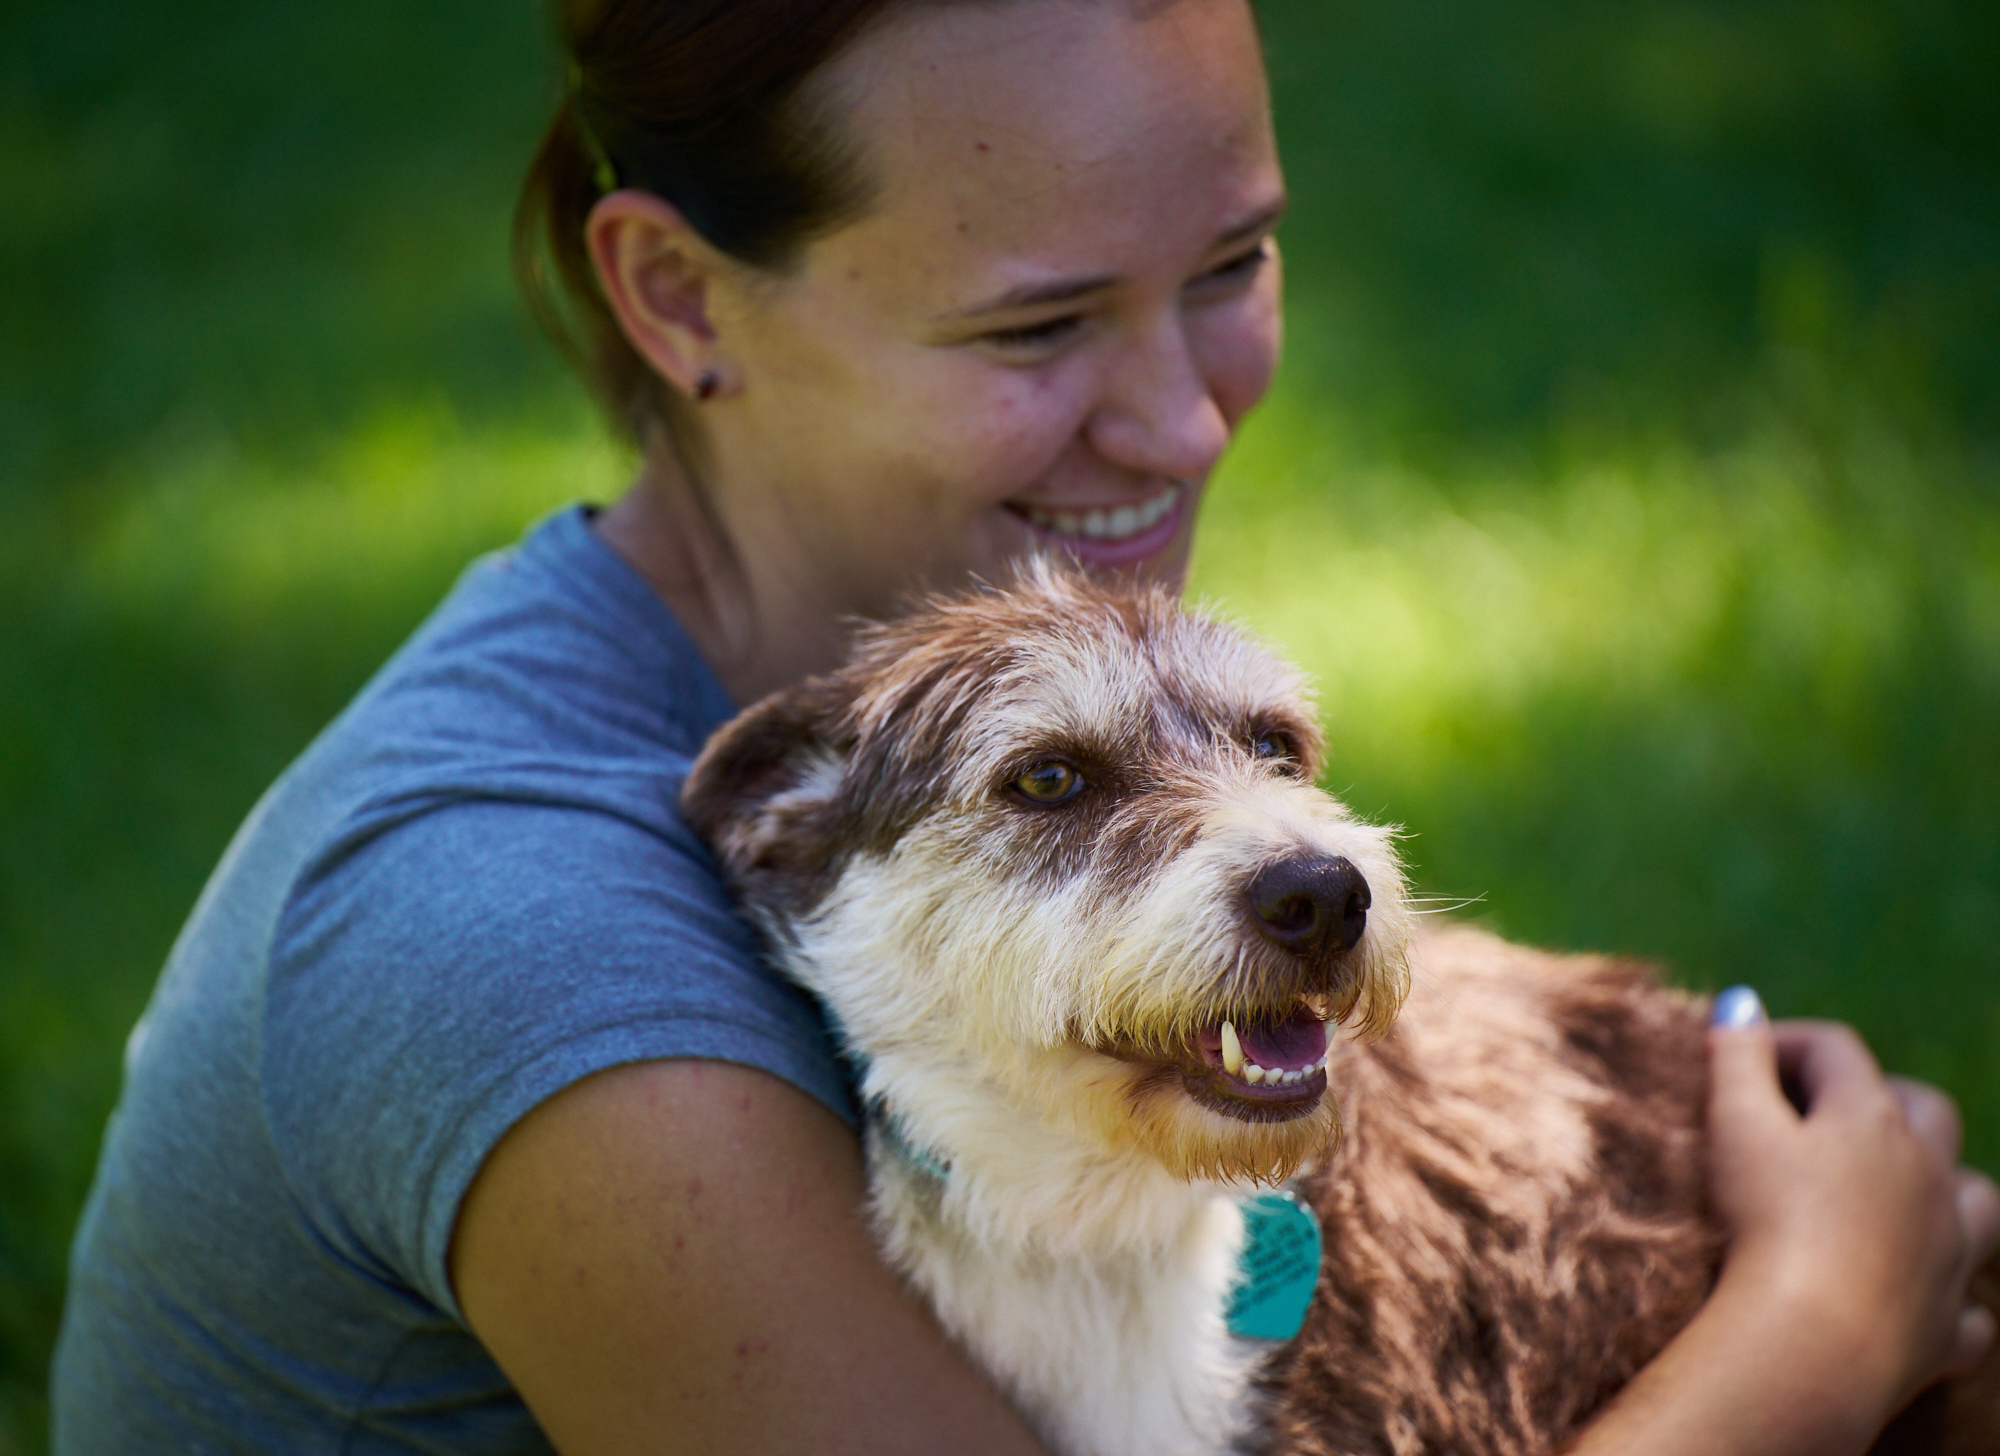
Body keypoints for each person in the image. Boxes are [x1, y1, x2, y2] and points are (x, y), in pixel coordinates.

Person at [51, 0, 1997, 1451]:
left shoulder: (817, 684)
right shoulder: (526, 939)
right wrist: (1821, 1321)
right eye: (1035, 328)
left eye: (1228, 265)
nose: (1182, 417)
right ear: (673, 295)